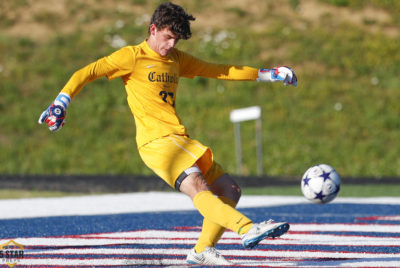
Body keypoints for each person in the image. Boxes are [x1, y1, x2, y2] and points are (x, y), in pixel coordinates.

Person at [39, 2, 297, 265]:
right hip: (157, 142)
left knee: (230, 189)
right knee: (199, 187)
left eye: (176, 39)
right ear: (153, 29)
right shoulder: (132, 56)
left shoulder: (177, 59)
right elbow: (87, 72)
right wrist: (62, 101)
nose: (172, 44)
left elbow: (219, 70)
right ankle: (246, 228)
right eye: (168, 37)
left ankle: (202, 250)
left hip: (177, 140)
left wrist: (268, 74)